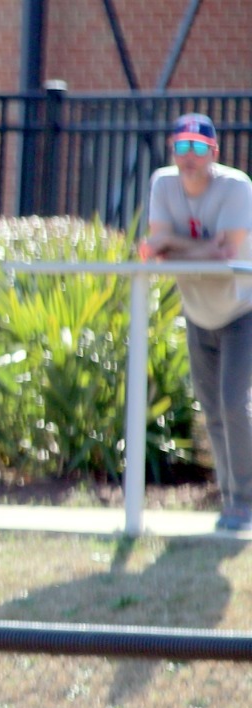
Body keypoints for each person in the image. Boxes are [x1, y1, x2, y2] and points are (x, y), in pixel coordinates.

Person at [141, 113, 252, 531]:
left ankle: (244, 500)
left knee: (233, 403)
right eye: (181, 147)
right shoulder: (162, 183)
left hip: (242, 311)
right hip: (197, 311)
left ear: (214, 153)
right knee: (212, 410)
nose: (189, 156)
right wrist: (197, 248)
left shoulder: (236, 187)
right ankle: (230, 498)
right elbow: (156, 248)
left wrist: (173, 245)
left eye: (198, 148)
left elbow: (227, 252)